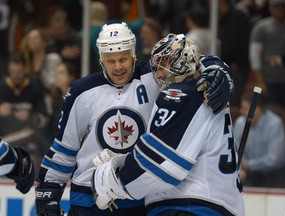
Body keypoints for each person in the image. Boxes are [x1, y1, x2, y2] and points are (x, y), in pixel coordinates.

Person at [35, 22, 235, 216]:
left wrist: (217, 69)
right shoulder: (81, 91)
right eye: (111, 61)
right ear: (101, 59)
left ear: (134, 54)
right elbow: (64, 149)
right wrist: (49, 189)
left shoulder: (156, 76)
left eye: (123, 59)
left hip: (138, 198)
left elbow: (188, 56)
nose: (118, 67)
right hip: (88, 198)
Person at [91, 33, 244, 216]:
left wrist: (109, 180)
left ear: (182, 63)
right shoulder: (209, 87)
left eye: (164, 65)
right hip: (218, 204)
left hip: (189, 206)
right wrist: (125, 161)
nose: (159, 74)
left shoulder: (182, 94)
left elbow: (160, 167)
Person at [234, 92, 285, 188]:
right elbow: (235, 149)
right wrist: (240, 167)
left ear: (256, 109)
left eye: (245, 108)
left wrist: (249, 164)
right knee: (236, 180)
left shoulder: (274, 124)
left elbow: (274, 159)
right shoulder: (239, 123)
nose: (241, 111)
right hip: (249, 172)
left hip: (274, 172)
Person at [249, 0, 285, 108]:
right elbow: (254, 55)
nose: (280, 9)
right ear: (270, 8)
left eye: (283, 7)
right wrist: (259, 80)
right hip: (269, 80)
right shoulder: (261, 27)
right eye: (277, 7)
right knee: (271, 111)